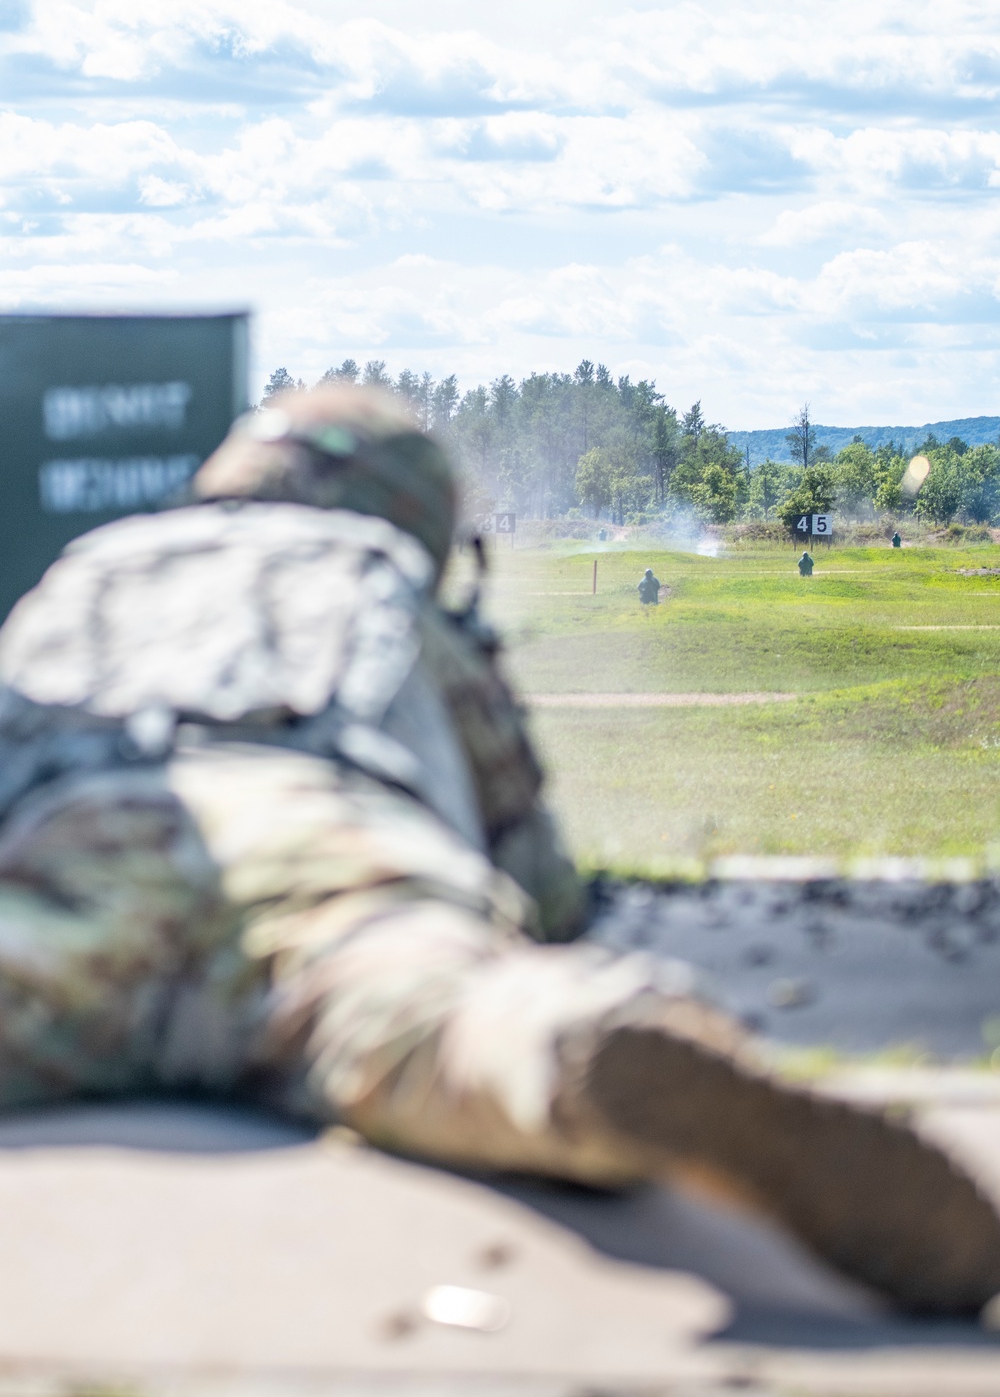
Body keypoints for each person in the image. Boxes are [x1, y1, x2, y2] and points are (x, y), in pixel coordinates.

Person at [0, 384, 995, 1315]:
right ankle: (571, 1048)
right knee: (434, 1018)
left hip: (90, 835)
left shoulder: (95, 566)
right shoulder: (374, 576)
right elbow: (537, 873)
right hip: (331, 844)